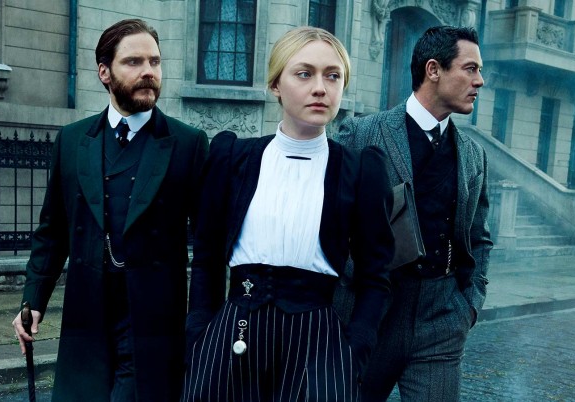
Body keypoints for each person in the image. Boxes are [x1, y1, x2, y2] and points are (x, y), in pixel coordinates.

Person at [181, 26, 395, 402]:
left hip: (317, 344)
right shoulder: (233, 157)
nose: (320, 88)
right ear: (275, 85)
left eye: (333, 76)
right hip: (234, 334)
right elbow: (207, 258)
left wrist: (354, 351)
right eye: (304, 73)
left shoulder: (361, 170)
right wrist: (199, 335)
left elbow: (376, 275)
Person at [11, 19, 209, 401]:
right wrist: (32, 300)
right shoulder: (72, 141)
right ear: (104, 72)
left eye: (155, 61)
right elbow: (52, 231)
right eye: (134, 62)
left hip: (153, 324)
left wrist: (201, 320)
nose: (149, 72)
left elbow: (207, 248)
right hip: (86, 318)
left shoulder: (188, 144)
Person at [335, 25, 494, 401]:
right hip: (370, 314)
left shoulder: (473, 155)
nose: (480, 81)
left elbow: (479, 237)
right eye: (470, 69)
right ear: (433, 70)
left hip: (441, 319)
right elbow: (329, 225)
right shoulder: (361, 134)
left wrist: (468, 306)